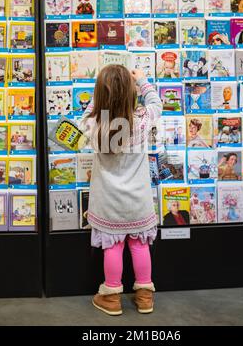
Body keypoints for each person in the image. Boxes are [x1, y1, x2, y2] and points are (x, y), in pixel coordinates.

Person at [78, 65, 162, 316]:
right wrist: (143, 81)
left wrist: (102, 94)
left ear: (100, 95)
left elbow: (88, 112)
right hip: (138, 201)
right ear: (131, 93)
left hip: (108, 202)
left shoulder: (93, 124)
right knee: (139, 245)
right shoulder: (142, 120)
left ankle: (112, 297)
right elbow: (157, 104)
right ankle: (145, 297)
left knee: (112, 248)